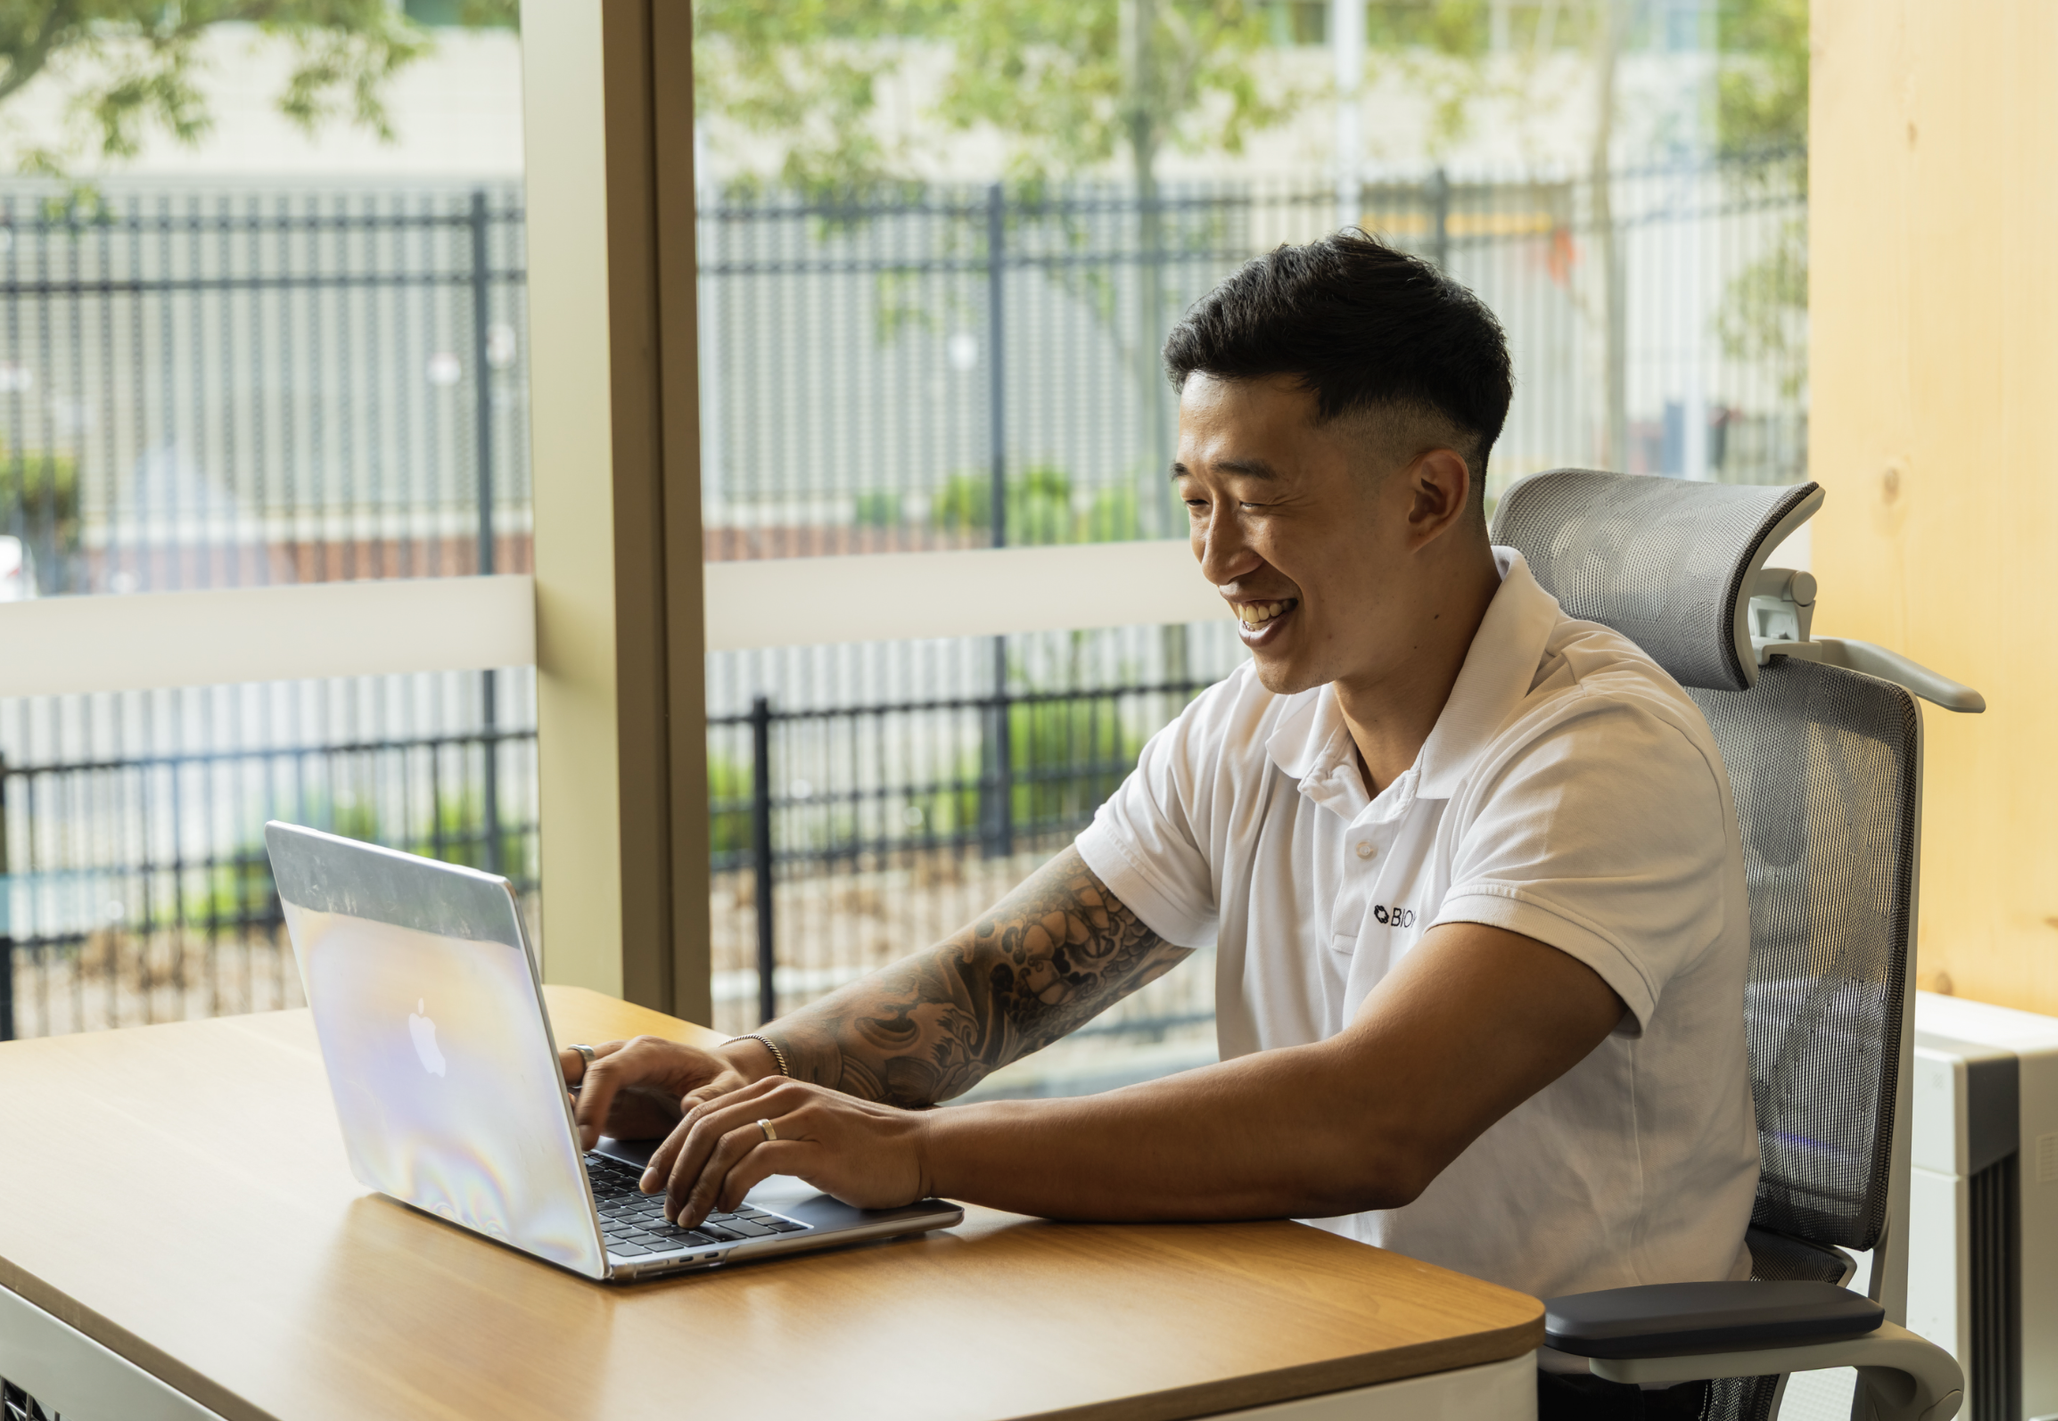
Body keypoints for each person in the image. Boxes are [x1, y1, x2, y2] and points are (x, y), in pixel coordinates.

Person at [567, 234, 1758, 1410]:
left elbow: (1375, 1119)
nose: (1215, 558)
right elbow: (999, 984)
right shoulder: (1252, 726)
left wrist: (919, 1153)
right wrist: (746, 1073)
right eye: (1194, 502)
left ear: (1429, 496)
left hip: (1548, 1384)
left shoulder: (1598, 752)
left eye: (1254, 501)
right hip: (1316, 1336)